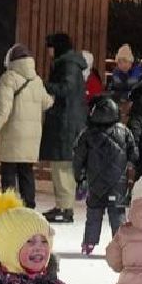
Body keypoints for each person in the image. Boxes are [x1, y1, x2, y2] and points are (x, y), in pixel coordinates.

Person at [0, 42, 53, 209]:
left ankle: (9, 207)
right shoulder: (36, 80)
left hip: (13, 134)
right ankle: (29, 206)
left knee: (9, 172)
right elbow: (47, 103)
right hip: (31, 136)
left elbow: (3, 108)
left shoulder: (9, 78)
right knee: (26, 172)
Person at [72, 93, 137, 254]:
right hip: (117, 183)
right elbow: (134, 154)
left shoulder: (87, 133)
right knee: (118, 215)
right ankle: (122, 246)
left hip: (95, 183)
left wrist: (79, 177)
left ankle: (89, 243)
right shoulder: (124, 131)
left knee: (94, 213)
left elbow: (78, 158)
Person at [41, 32, 88, 223]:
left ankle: (65, 208)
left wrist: (46, 86)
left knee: (63, 165)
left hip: (66, 122)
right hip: (66, 120)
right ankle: (62, 205)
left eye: (50, 47)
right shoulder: (69, 63)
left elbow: (66, 89)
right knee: (60, 165)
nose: (49, 52)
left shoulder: (68, 65)